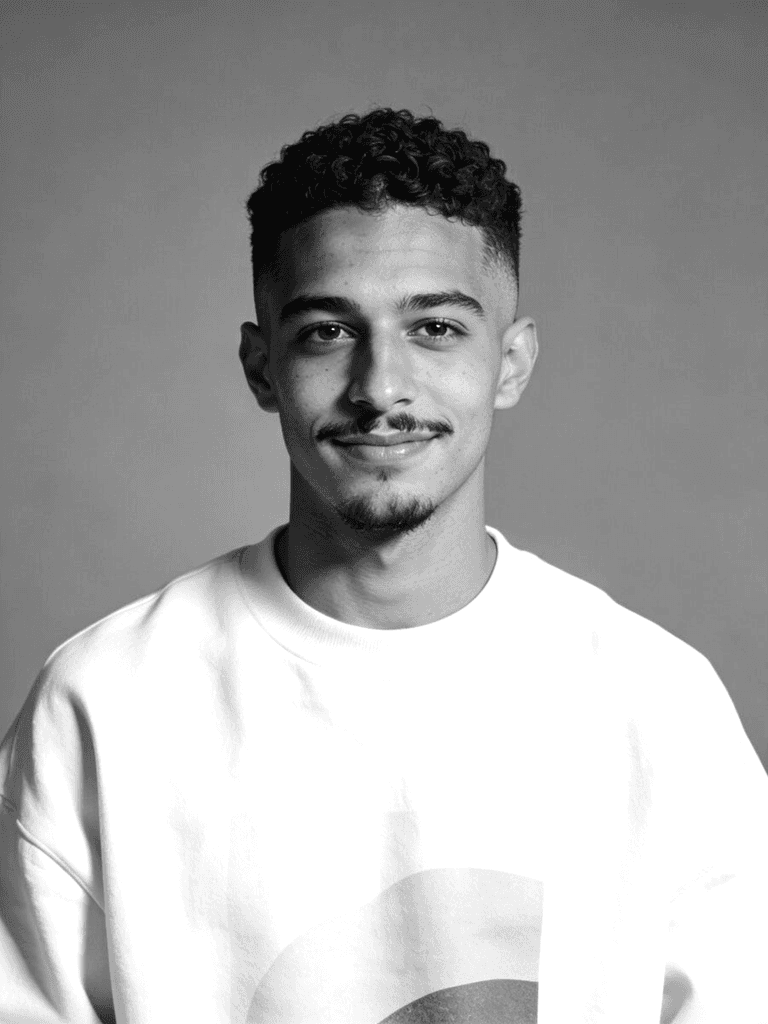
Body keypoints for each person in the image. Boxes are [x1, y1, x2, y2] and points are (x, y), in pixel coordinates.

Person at [1, 107, 766, 1024]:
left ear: (511, 362)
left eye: (435, 328)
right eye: (328, 331)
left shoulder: (658, 706)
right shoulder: (104, 704)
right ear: (261, 366)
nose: (381, 388)